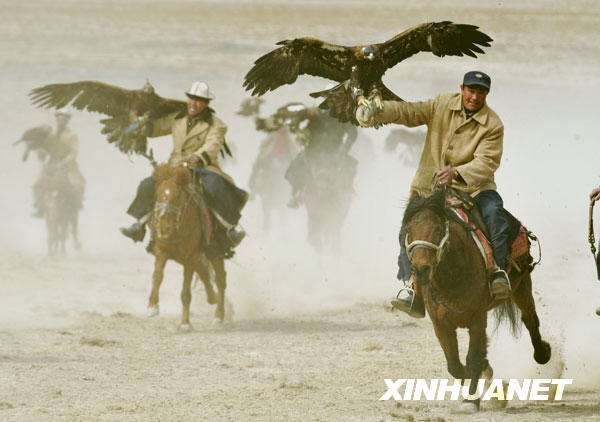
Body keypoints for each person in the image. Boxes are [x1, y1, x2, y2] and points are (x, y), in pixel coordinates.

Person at [356, 71, 512, 318]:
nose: (474, 97)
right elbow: (409, 112)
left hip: (474, 189)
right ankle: (412, 288)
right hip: (429, 189)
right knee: (409, 231)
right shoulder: (441, 104)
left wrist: (457, 172)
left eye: (480, 92)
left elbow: (487, 162)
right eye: (471, 91)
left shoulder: (493, 124)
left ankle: (497, 273)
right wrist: (377, 110)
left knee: (495, 217)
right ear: (462, 89)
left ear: (487, 94)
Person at [120, 82, 248, 252]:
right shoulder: (177, 118)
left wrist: (197, 156)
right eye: (191, 99)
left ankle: (230, 228)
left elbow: (213, 145)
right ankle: (139, 225)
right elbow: (158, 127)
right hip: (175, 168)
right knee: (147, 185)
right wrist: (144, 129)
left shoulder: (217, 125)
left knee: (215, 186)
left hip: (202, 168)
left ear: (206, 103)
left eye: (198, 100)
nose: (193, 103)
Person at [31, 108, 85, 217]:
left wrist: (65, 162)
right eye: (59, 119)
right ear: (56, 119)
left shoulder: (72, 135)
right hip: (51, 164)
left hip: (68, 166)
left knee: (79, 183)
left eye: (64, 119)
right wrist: (40, 152)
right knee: (37, 184)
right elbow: (45, 149)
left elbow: (73, 152)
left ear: (68, 121)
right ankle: (40, 208)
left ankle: (76, 206)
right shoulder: (50, 134)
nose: (61, 121)